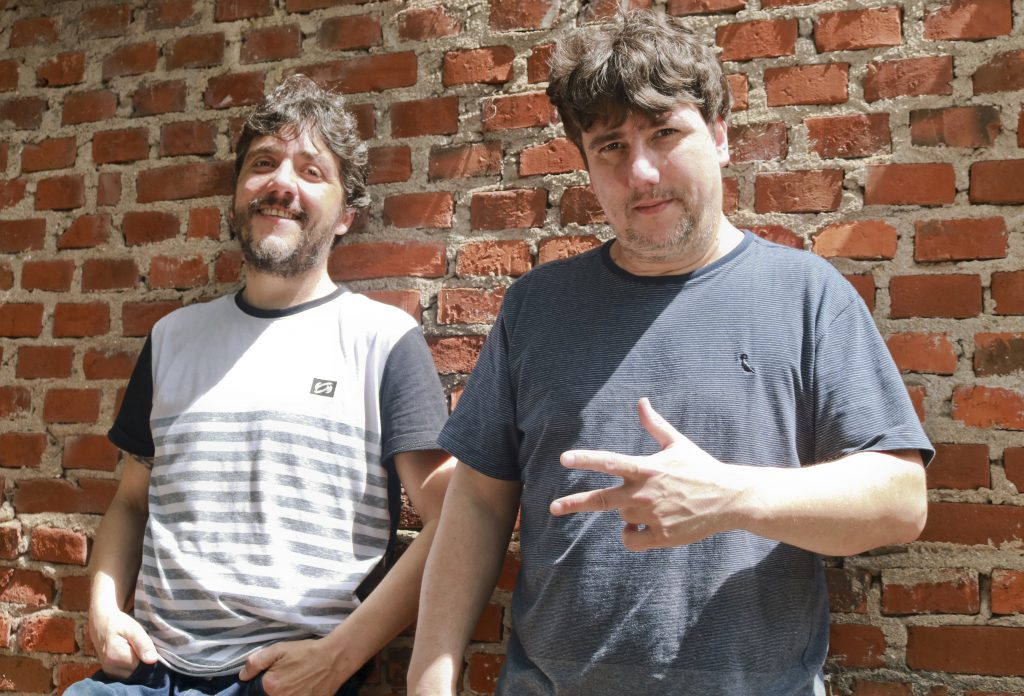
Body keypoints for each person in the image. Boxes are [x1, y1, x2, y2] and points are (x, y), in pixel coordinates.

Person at [407, 10, 931, 696]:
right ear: (586, 166)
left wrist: (731, 497)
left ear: (720, 136)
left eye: (665, 133)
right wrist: (429, 675)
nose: (642, 172)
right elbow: (478, 500)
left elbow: (899, 500)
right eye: (611, 147)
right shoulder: (536, 307)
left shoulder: (806, 296)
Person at [69, 75, 453, 696]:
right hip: (149, 673)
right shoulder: (172, 337)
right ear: (237, 196)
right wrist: (105, 609)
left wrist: (338, 657)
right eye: (263, 163)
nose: (281, 183)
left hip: (289, 680)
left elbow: (451, 520)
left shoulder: (383, 341)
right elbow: (131, 502)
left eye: (311, 170)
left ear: (346, 216)